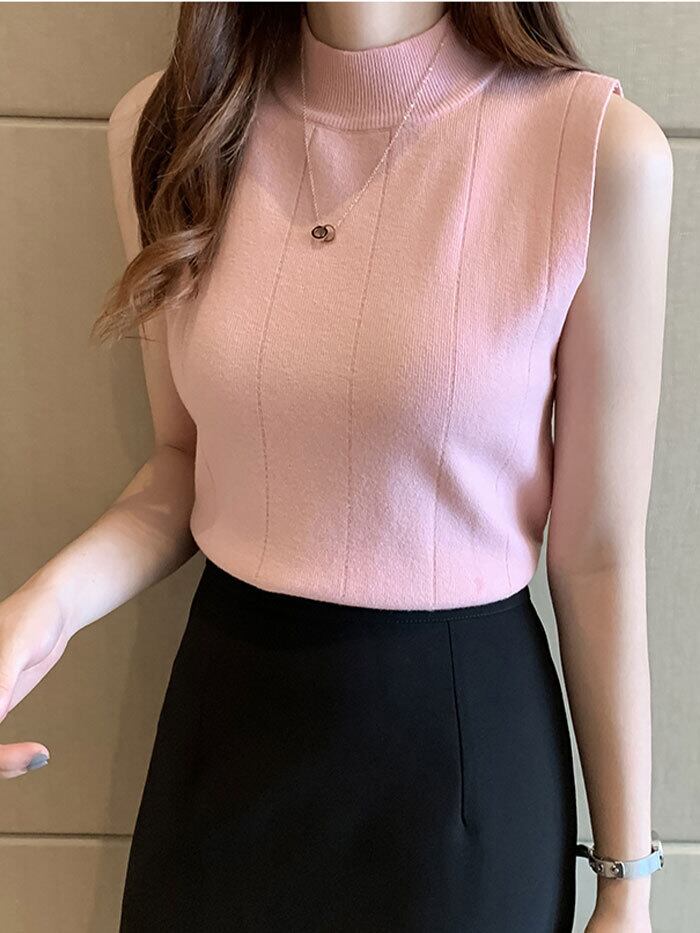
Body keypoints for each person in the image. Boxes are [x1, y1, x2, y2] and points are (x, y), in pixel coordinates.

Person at [0, 3, 672, 931]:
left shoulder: (596, 151)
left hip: (458, 765)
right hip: (222, 731)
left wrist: (627, 885)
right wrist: (38, 612)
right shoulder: (170, 128)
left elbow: (596, 552)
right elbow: (184, 463)